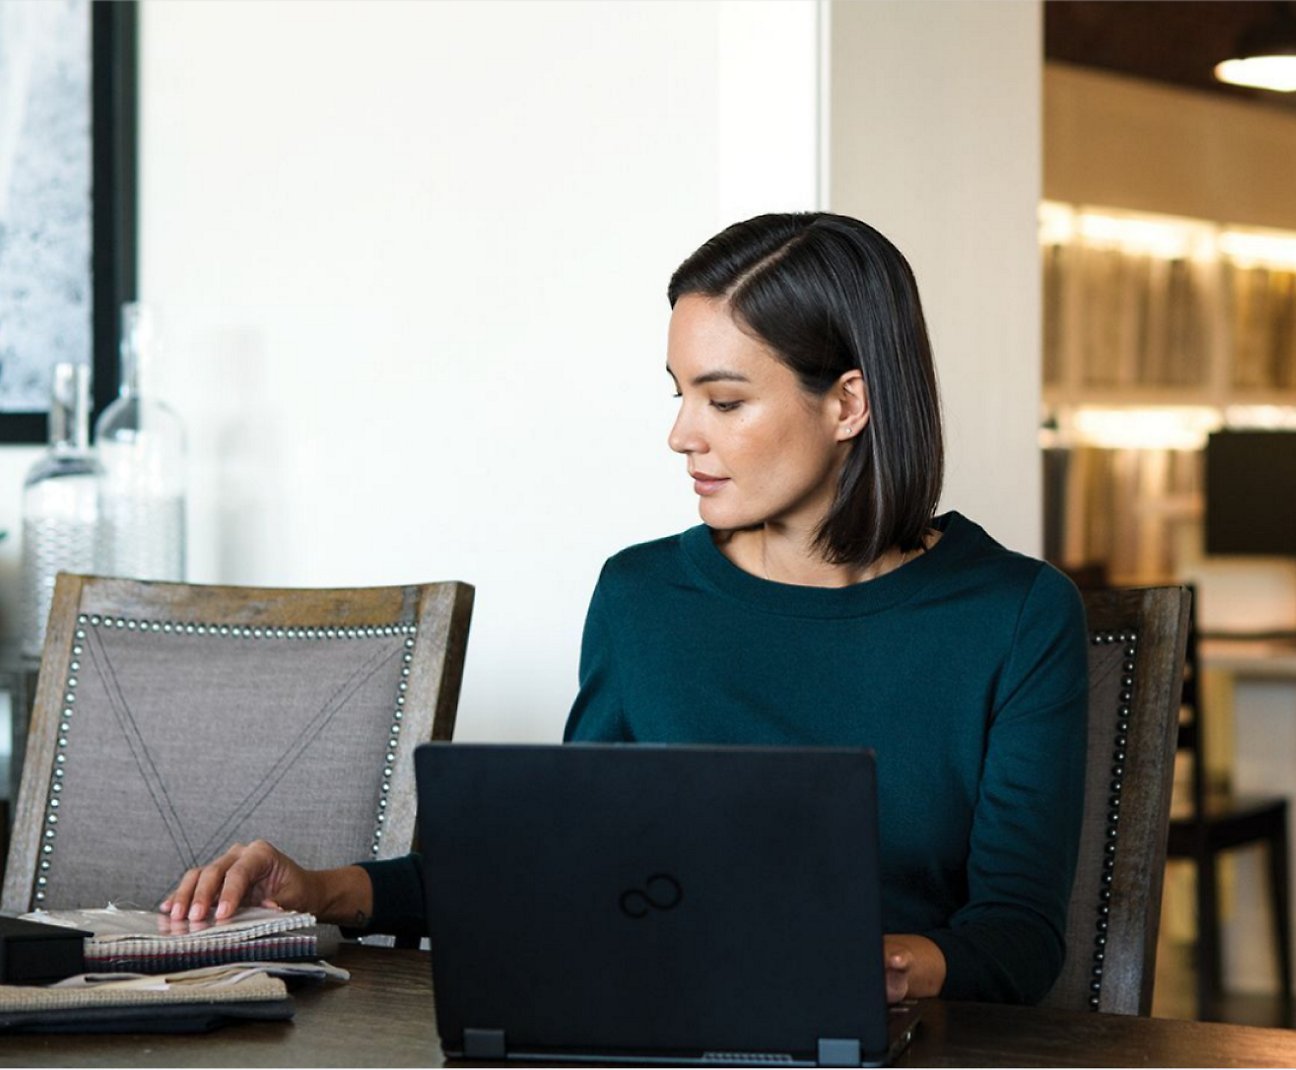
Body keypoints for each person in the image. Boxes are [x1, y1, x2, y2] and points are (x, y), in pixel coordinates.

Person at [162, 212, 1088, 1006]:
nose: (682, 434)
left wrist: (867, 968)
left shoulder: (1015, 615)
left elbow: (1017, 937)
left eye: (724, 400)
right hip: (658, 1031)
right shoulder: (644, 596)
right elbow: (565, 867)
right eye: (680, 394)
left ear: (847, 402)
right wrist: (324, 889)